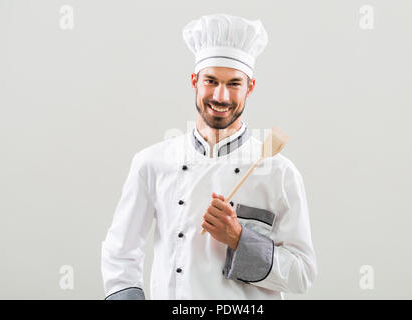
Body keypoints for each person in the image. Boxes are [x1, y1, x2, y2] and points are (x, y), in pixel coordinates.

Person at [101, 13, 317, 300]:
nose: (221, 96)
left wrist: (239, 239)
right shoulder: (151, 162)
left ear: (250, 87)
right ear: (194, 81)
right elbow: (120, 253)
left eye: (234, 84)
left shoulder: (279, 172)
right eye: (211, 81)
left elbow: (302, 275)